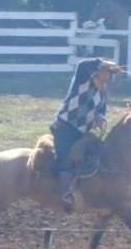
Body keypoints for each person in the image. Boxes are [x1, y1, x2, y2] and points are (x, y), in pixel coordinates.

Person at [51, 57, 123, 209]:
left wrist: (100, 118)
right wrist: (103, 62)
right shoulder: (82, 80)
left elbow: (101, 109)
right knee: (67, 158)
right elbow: (82, 64)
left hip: (82, 131)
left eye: (109, 74)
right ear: (98, 71)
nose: (107, 77)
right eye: (105, 72)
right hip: (65, 127)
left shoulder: (103, 91)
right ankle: (65, 194)